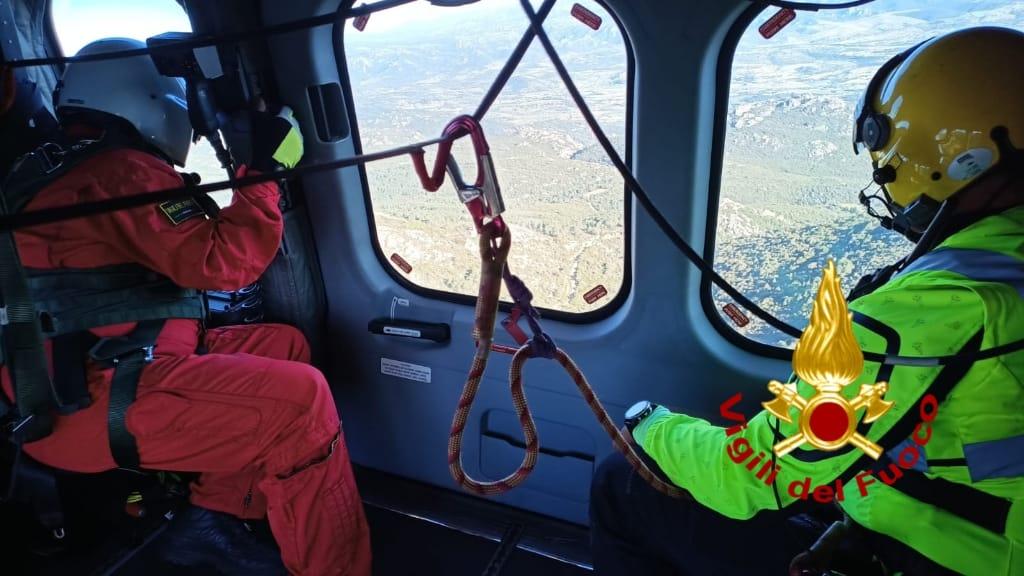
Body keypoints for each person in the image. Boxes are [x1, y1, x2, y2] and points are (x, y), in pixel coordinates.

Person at [590, 26, 1024, 576]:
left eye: (888, 166)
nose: (887, 182)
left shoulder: (937, 307)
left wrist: (649, 425)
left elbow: (756, 474)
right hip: (970, 534)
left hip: (939, 557)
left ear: (960, 160)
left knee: (622, 484)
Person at [0, 38, 371, 575]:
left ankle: (214, 521)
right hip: (95, 403)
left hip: (77, 378)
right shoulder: (121, 171)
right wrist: (262, 173)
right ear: (151, 100)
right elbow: (225, 261)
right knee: (302, 404)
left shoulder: (63, 168)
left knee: (283, 346)